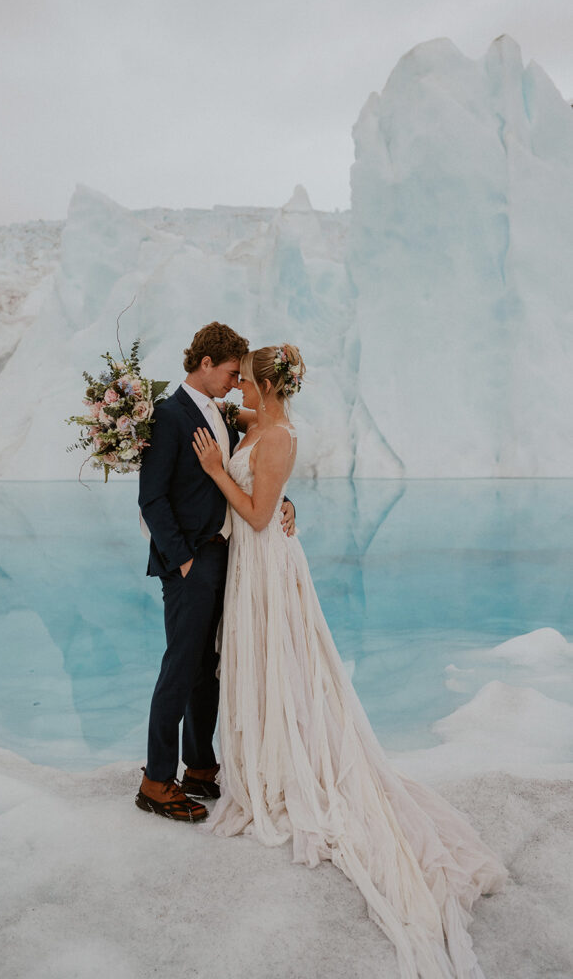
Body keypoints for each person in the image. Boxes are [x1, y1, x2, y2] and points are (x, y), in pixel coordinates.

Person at [191, 344, 507, 979]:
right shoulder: (258, 423)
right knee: (260, 662)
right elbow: (245, 446)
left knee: (284, 663)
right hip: (253, 567)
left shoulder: (277, 436)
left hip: (266, 566)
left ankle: (288, 765)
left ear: (268, 388)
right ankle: (263, 755)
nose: (238, 394)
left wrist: (216, 473)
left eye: (246, 384)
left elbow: (255, 517)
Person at [136, 322, 295, 822]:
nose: (234, 382)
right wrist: (182, 558)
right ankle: (156, 780)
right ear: (206, 365)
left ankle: (200, 768)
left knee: (208, 668)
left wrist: (284, 500)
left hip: (224, 556)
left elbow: (250, 469)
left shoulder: (220, 413)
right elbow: (152, 497)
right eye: (230, 373)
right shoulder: (170, 415)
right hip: (191, 561)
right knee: (180, 668)